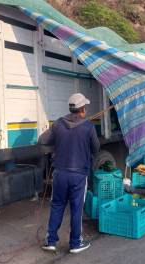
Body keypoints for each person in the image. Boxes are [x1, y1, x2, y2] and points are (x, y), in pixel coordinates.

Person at [38, 93, 100, 254]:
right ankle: (75, 243)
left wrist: (55, 149)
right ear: (82, 109)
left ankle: (50, 241)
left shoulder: (58, 124)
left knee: (57, 206)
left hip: (59, 173)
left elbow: (42, 140)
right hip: (78, 175)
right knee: (76, 208)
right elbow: (96, 148)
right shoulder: (88, 126)